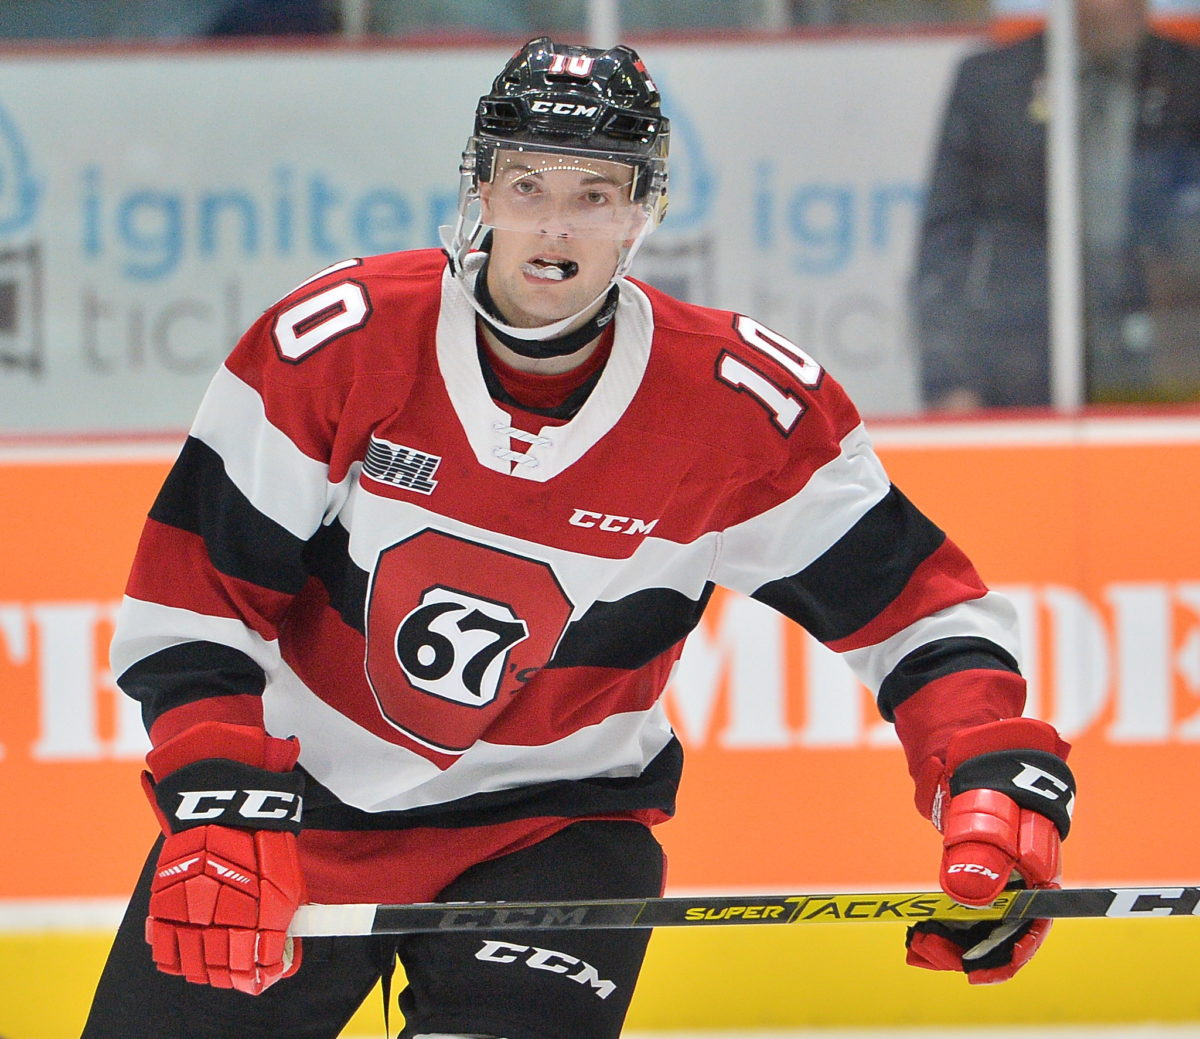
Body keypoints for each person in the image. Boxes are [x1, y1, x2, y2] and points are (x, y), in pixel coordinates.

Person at [81, 37, 1076, 1039]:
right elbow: (195, 600)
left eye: (596, 194)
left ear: (645, 211)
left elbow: (919, 613)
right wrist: (216, 791)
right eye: (528, 184)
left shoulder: (740, 414)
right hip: (300, 806)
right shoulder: (337, 345)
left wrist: (985, 767)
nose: (556, 226)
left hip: (553, 826)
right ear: (480, 190)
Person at [912, 0, 1200, 409]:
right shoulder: (994, 84)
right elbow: (946, 242)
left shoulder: (1187, 79)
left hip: (1167, 364)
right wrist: (948, 380)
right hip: (1025, 368)